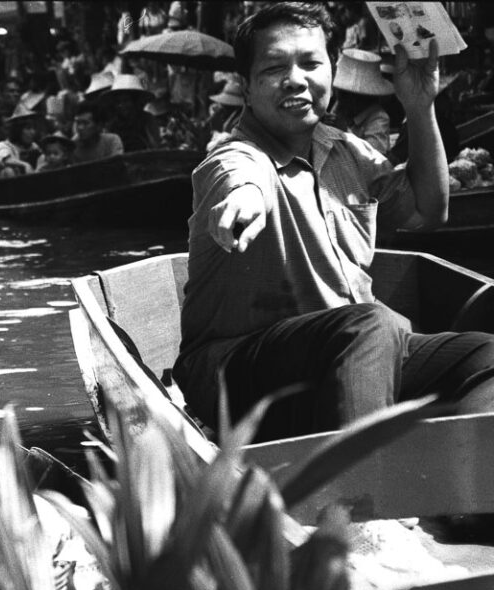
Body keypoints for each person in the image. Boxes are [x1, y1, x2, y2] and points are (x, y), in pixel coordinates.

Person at [174, 2, 494, 443]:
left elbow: (428, 210)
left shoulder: (347, 151)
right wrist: (244, 202)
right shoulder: (236, 156)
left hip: (356, 353)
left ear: (330, 71)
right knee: (372, 323)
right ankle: (364, 497)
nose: (296, 80)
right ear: (246, 88)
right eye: (273, 68)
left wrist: (419, 106)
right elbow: (239, 179)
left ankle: (466, 479)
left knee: (484, 353)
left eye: (310, 63)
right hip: (237, 371)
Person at [330, 48, 394, 154]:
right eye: (340, 93)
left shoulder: (378, 117)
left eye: (345, 95)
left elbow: (375, 156)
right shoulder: (341, 105)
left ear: (361, 97)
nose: (340, 99)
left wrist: (345, 132)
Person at [0, 105, 41, 177]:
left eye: (33, 128)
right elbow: (4, 159)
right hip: (8, 185)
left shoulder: (34, 146)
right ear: (17, 131)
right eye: (28, 128)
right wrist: (25, 164)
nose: (32, 132)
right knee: (8, 171)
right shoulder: (3, 145)